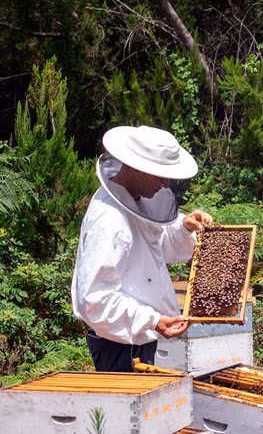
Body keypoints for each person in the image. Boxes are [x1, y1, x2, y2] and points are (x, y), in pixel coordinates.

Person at [71, 125, 213, 372]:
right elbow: (96, 300)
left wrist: (184, 228)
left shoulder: (132, 199)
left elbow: (152, 245)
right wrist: (152, 321)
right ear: (137, 168)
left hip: (136, 338)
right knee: (122, 399)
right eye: (160, 175)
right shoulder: (108, 221)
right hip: (119, 341)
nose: (166, 184)